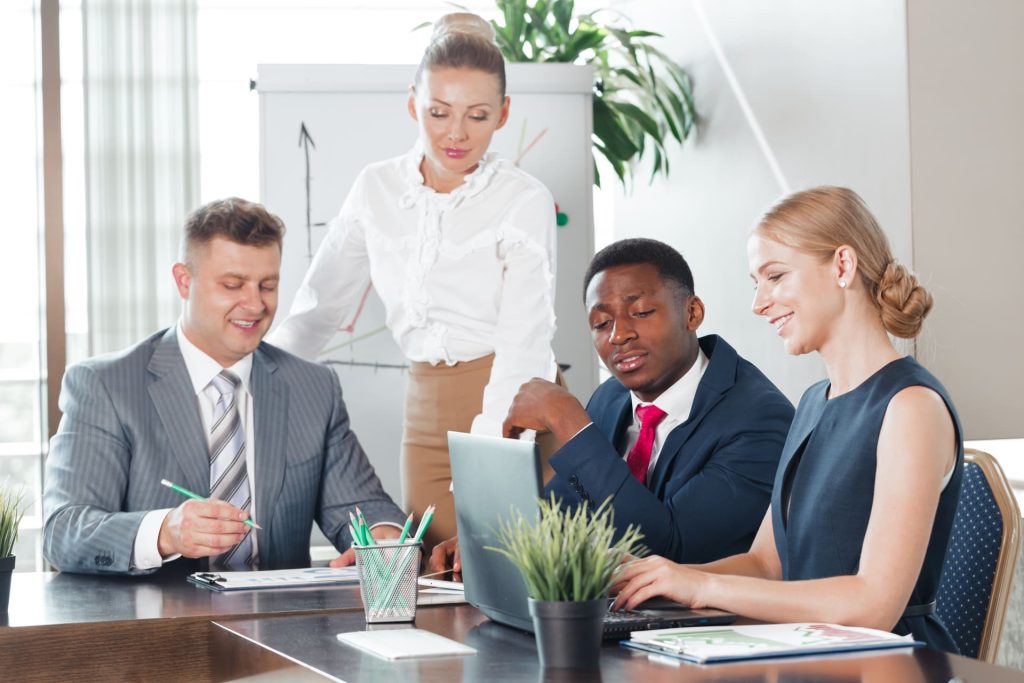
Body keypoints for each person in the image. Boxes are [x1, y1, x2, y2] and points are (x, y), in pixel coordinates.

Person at [612, 187, 963, 652]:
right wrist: (657, 577)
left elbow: (874, 605)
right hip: (807, 650)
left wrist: (702, 588)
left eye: (775, 276)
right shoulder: (814, 402)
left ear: (843, 265)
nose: (759, 303)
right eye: (756, 283)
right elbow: (766, 564)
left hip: (889, 662)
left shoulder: (911, 406)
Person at [269, 12, 558, 548]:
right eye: (438, 112)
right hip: (424, 406)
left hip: (511, 402)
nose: (456, 133)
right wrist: (258, 378)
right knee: (430, 575)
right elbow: (319, 307)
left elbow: (525, 342)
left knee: (503, 572)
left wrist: (489, 458)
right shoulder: (376, 187)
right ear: (412, 104)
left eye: (477, 115)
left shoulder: (523, 199)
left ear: (503, 114)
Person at [42, 197, 405, 575]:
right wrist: (166, 532)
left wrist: (384, 545)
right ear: (184, 281)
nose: (254, 304)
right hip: (158, 627)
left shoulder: (313, 387)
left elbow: (365, 508)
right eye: (233, 285)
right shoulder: (105, 385)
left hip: (280, 627)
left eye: (267, 286)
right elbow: (64, 531)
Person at [429, 238, 794, 571]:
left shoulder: (760, 419)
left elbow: (671, 552)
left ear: (692, 313)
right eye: (601, 323)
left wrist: (569, 421)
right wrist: (494, 542)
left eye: (641, 312)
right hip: (615, 618)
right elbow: (563, 515)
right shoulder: (612, 399)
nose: (619, 335)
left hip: (709, 630)